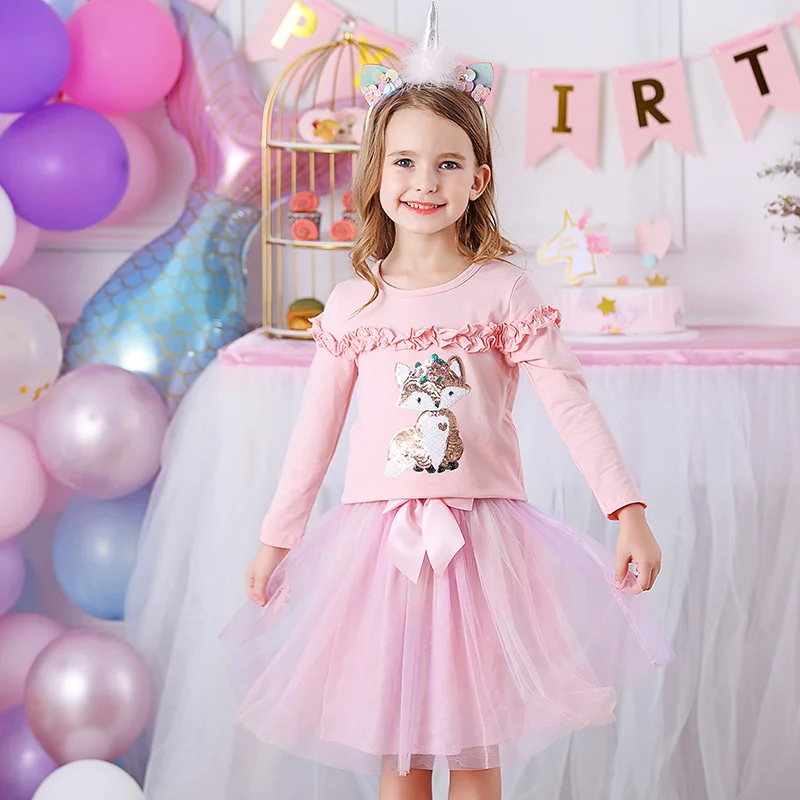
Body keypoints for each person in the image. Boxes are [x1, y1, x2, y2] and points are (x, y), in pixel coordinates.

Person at [224, 4, 674, 799]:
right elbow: (314, 437)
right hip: (378, 554)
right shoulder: (352, 305)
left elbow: (570, 404)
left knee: (473, 747)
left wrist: (626, 507)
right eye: (404, 162)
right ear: (376, 174)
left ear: (478, 180)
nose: (424, 182)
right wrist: (276, 539)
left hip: (483, 547)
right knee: (398, 753)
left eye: (447, 164)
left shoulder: (503, 291)